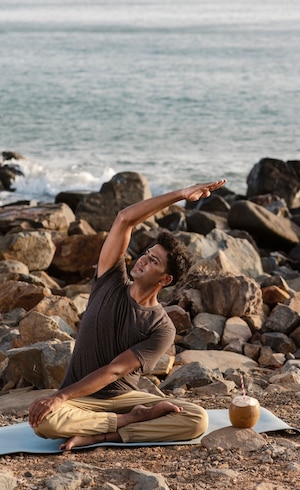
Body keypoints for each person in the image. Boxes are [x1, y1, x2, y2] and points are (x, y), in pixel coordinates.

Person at [28, 179, 226, 450]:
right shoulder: (110, 279)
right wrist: (180, 194)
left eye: (153, 261)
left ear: (165, 279)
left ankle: (106, 433)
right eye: (147, 253)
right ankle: (129, 421)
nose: (143, 260)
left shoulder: (162, 328)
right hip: (81, 395)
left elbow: (114, 370)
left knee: (196, 419)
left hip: (122, 397)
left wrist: (58, 397)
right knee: (45, 423)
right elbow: (124, 219)